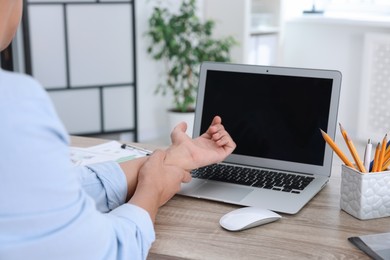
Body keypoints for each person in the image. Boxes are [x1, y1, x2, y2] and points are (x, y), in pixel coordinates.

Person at [0, 1, 236, 259]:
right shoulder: (13, 103)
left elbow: (51, 191)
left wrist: (175, 158)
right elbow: (105, 252)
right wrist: (151, 192)